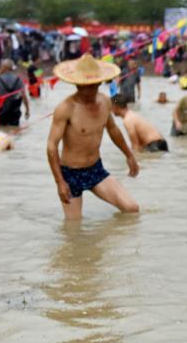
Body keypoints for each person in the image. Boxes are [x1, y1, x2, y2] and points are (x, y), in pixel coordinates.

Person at [46, 54, 140, 220]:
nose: (88, 91)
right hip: (70, 174)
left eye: (92, 86)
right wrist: (60, 182)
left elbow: (113, 129)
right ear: (76, 84)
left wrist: (129, 155)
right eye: (83, 86)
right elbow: (51, 145)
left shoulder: (105, 102)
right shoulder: (65, 108)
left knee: (132, 209)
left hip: (95, 169)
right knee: (73, 229)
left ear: (98, 82)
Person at [0, 59, 30, 127]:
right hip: (15, 113)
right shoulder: (19, 80)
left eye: (1, 66)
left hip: (1, 113)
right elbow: (24, 96)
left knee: (2, 133)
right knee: (14, 132)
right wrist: (27, 110)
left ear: (4, 68)